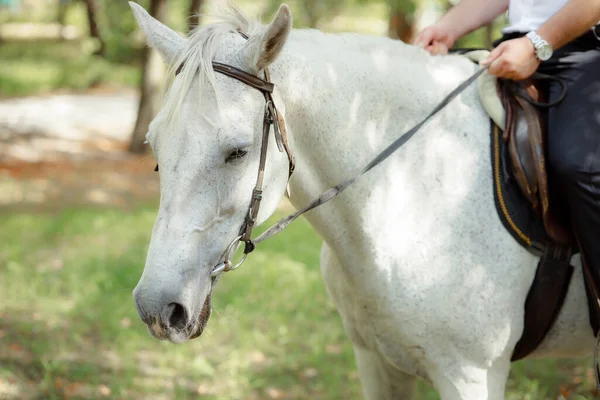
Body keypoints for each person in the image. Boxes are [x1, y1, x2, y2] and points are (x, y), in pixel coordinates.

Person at [414, 1, 600, 306]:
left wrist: (537, 44)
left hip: (584, 50)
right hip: (516, 46)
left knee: (578, 164)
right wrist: (448, 27)